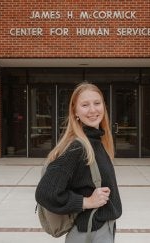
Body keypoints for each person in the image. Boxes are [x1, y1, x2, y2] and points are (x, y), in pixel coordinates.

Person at [35, 82, 122, 243]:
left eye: (97, 103)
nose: (93, 110)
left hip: (102, 229)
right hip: (90, 233)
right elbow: (46, 192)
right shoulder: (77, 149)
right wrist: (86, 202)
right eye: (85, 105)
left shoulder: (97, 141)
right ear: (75, 111)